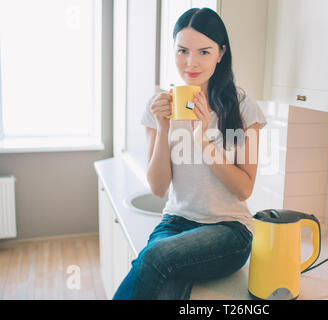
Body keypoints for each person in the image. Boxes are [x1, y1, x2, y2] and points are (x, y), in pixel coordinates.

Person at [113, 7, 267, 300]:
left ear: (221, 53)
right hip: (175, 222)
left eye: (204, 52)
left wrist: (205, 140)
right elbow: (158, 189)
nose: (191, 62)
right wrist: (162, 127)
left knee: (155, 257)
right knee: (166, 289)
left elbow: (244, 188)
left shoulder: (243, 107)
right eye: (182, 50)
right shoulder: (160, 106)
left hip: (229, 230)